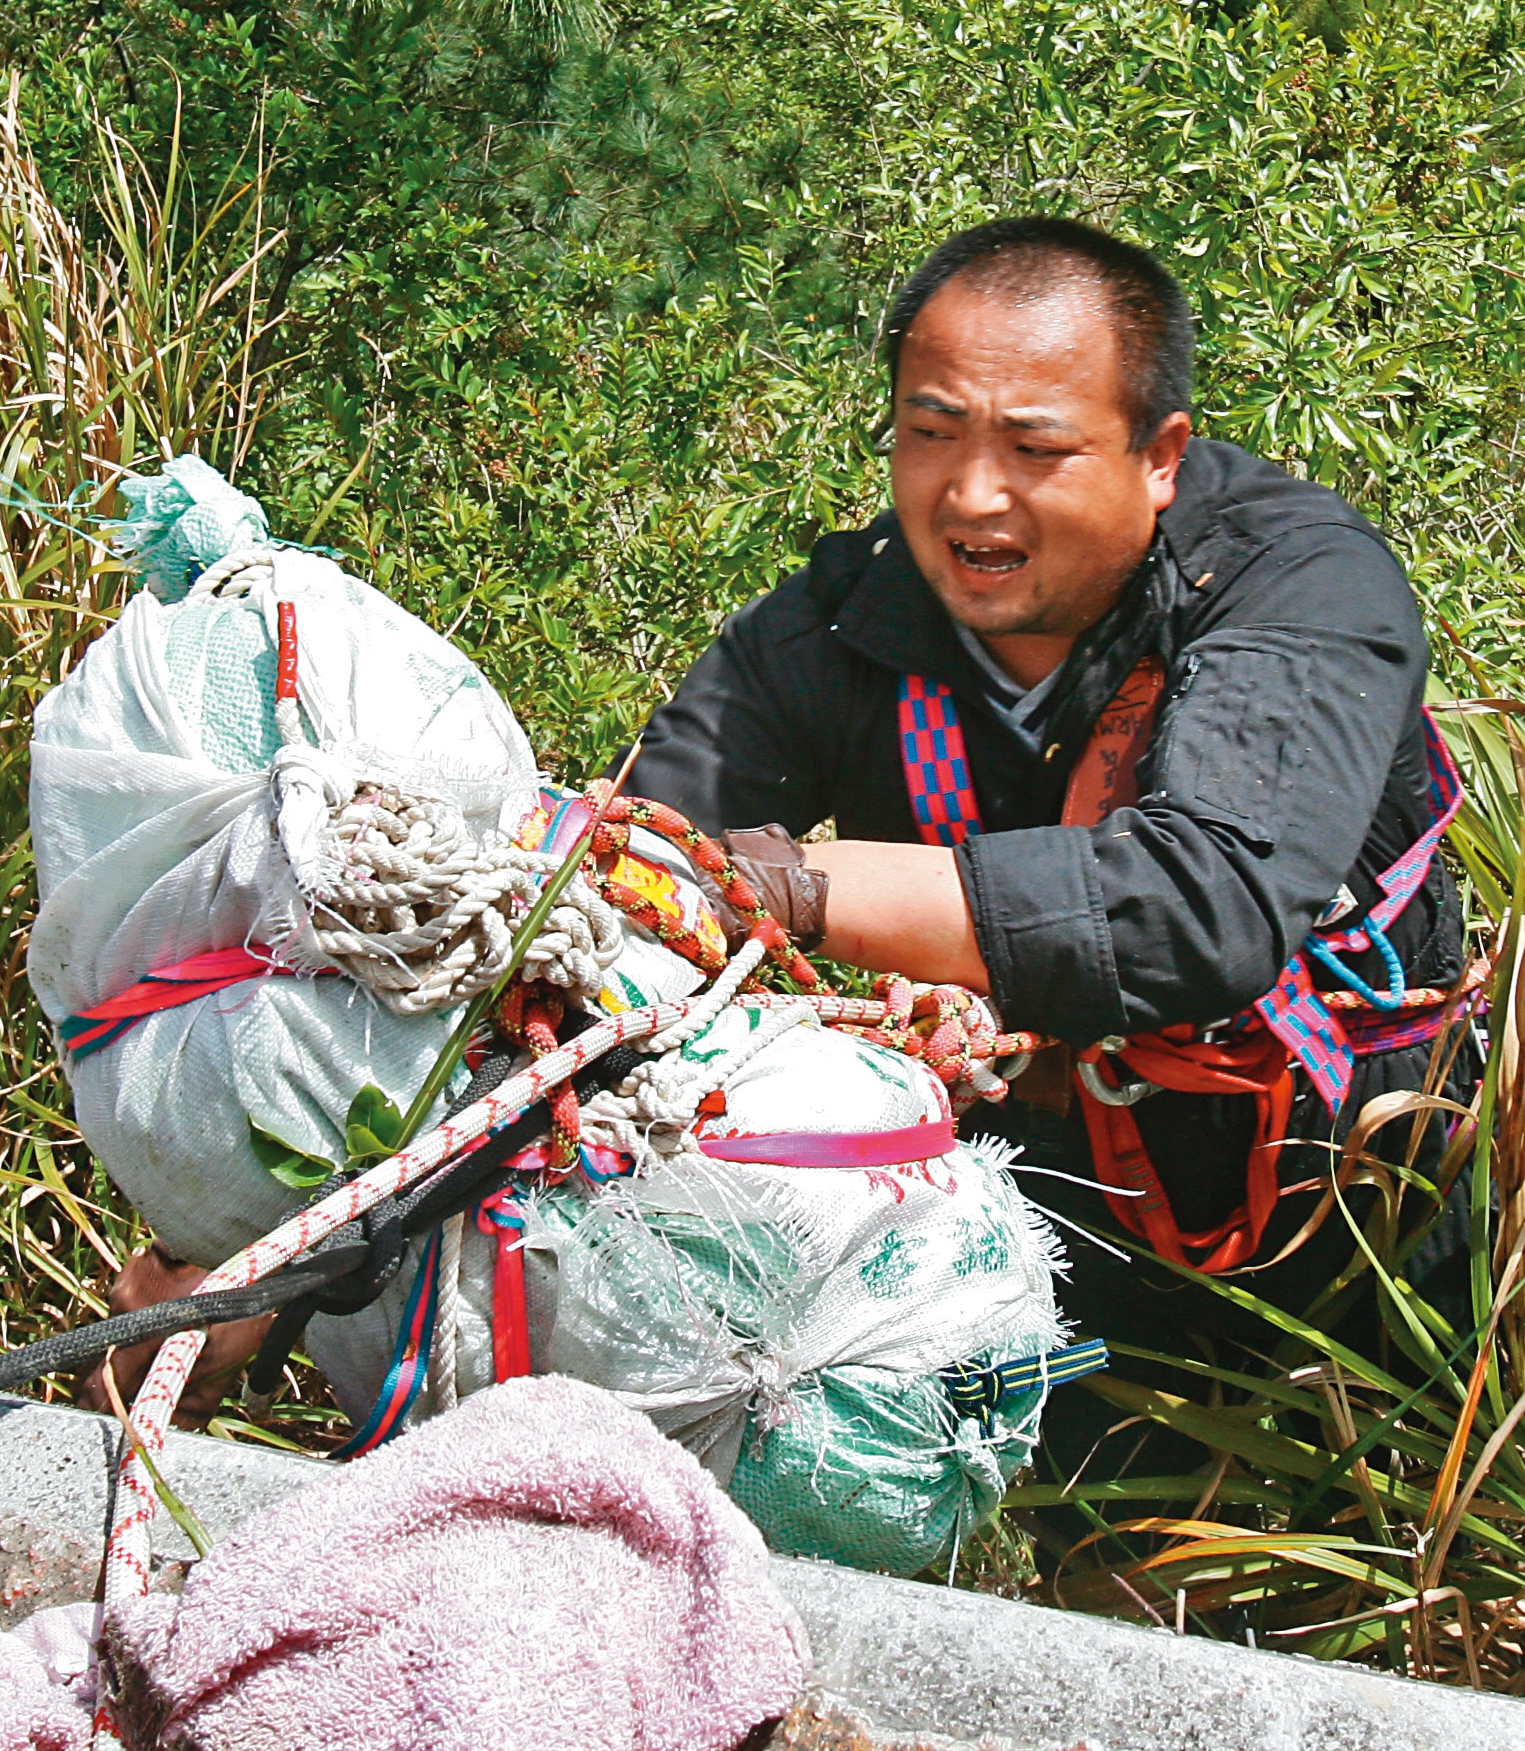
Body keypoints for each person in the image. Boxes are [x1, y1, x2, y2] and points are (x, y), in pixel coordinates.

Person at [622, 216, 1480, 1489]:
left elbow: (1202, 902)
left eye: (1036, 450)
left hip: (1352, 1229)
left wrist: (789, 887)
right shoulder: (839, 628)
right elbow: (629, 871)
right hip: (1026, 1232)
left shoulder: (1294, 589)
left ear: (1161, 455)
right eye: (931, 435)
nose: (971, 496)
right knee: (1078, 1586)